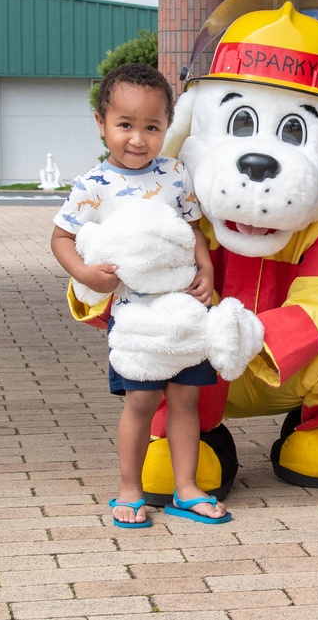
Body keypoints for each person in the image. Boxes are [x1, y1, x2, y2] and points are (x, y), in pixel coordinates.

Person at [50, 63, 230, 527]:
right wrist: (86, 275)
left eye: (151, 127)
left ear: (167, 126)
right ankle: (129, 489)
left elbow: (193, 231)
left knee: (185, 400)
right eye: (125, 125)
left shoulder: (175, 174)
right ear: (101, 123)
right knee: (141, 402)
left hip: (184, 314)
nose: (137, 138)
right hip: (134, 320)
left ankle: (186, 488)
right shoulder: (93, 186)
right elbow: (60, 239)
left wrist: (206, 269)